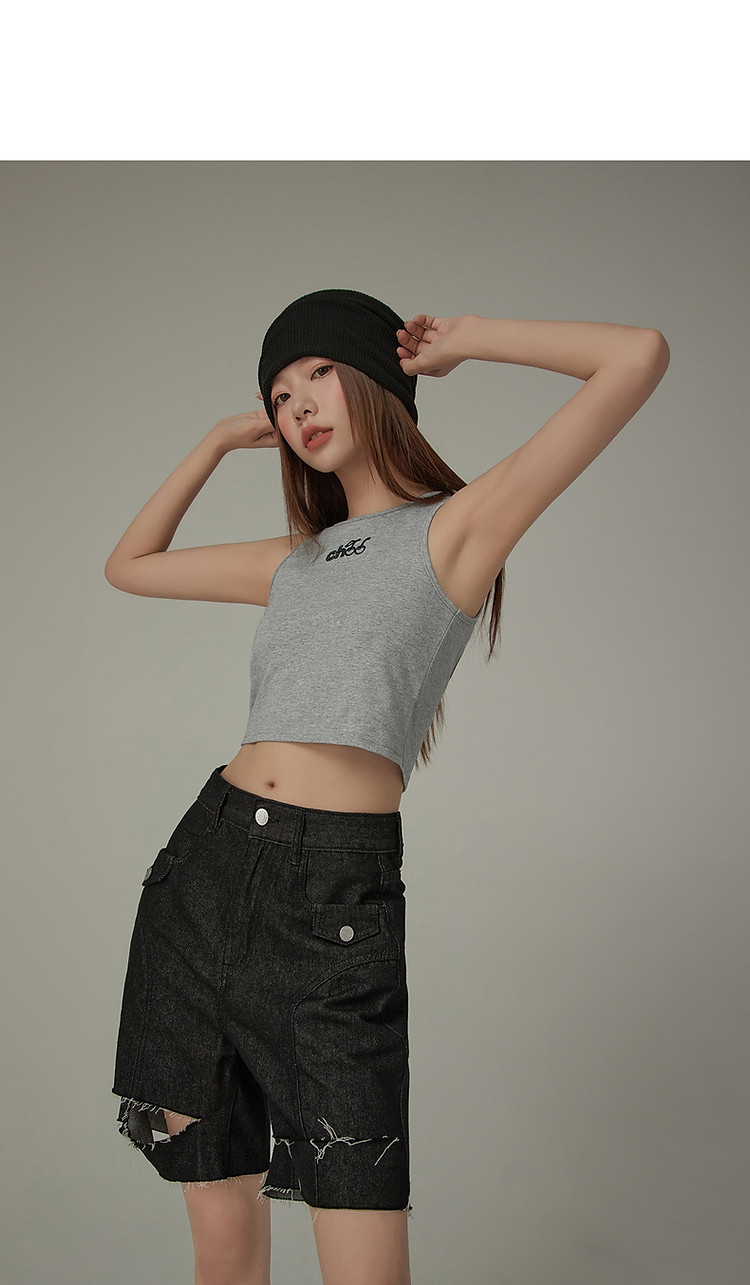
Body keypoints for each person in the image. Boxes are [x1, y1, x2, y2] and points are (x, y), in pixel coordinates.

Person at [107, 289, 669, 1285]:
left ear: (374, 376)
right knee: (222, 1244)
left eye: (319, 372)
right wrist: (216, 442)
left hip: (331, 901)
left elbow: (636, 356)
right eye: (279, 395)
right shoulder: (295, 561)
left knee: (365, 1261)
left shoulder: (459, 528)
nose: (297, 406)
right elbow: (130, 565)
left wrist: (468, 343)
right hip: (201, 880)